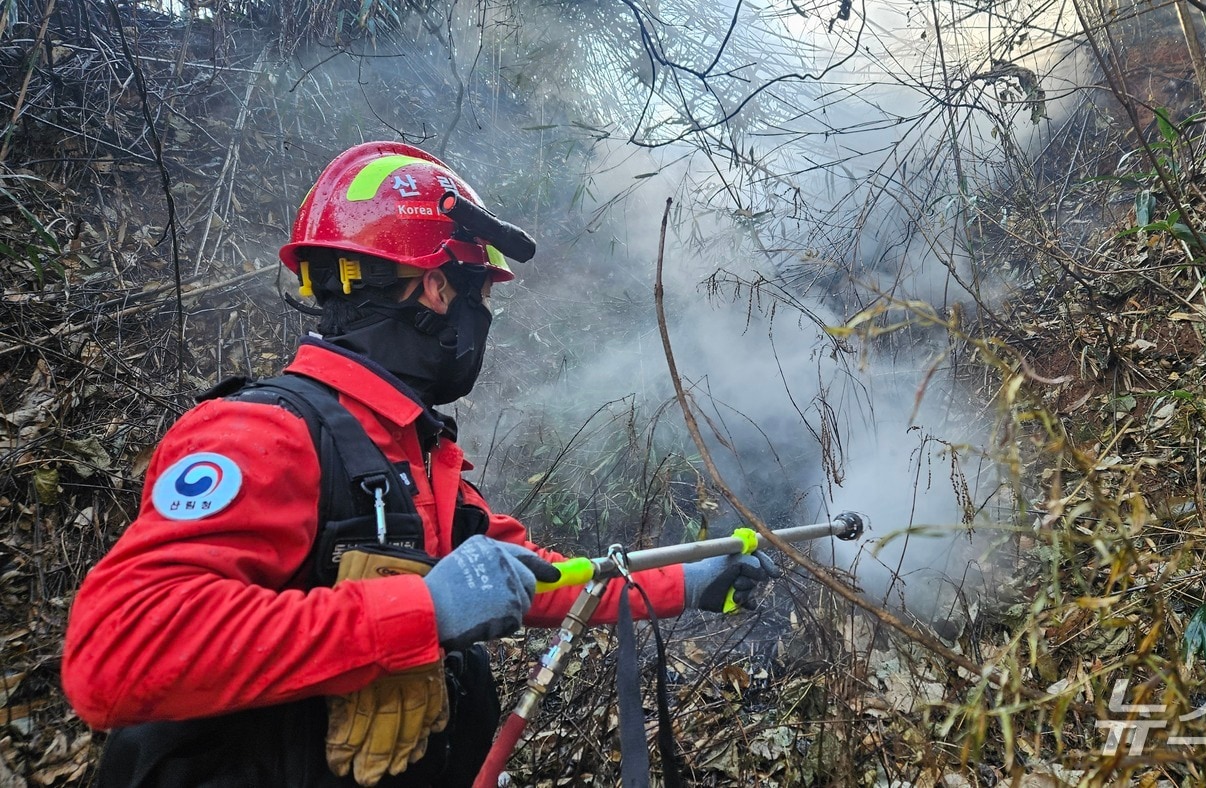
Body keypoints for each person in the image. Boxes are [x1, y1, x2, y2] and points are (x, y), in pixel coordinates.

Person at [61, 141, 780, 787]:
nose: (482, 319)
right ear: (435, 289)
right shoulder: (263, 434)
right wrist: (423, 609)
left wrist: (689, 580)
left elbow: (544, 581)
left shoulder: (412, 450)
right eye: (481, 294)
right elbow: (116, 654)